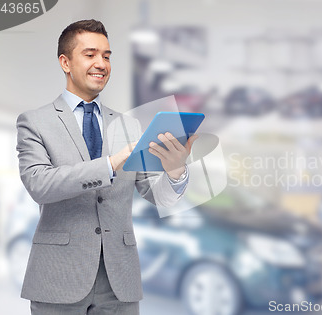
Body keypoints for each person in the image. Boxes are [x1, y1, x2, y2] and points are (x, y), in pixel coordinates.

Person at [16, 19, 196, 315]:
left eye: (107, 56)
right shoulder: (35, 122)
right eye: (90, 54)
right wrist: (110, 164)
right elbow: (39, 184)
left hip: (119, 281)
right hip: (59, 278)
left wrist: (175, 171)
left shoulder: (129, 125)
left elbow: (155, 194)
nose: (101, 63)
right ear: (65, 62)